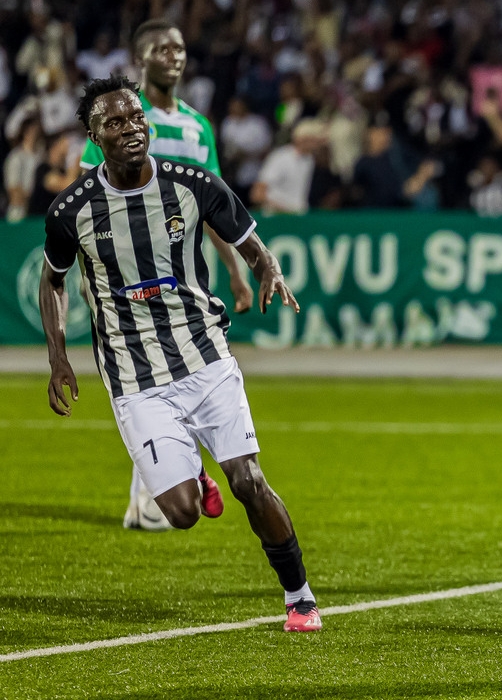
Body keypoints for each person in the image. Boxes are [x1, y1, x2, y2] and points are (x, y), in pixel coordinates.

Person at [39, 76, 322, 632]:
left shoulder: (192, 184)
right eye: (115, 123)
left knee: (249, 480)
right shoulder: (71, 209)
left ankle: (300, 598)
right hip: (133, 373)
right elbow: (52, 281)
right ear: (93, 135)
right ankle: (193, 477)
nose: (131, 129)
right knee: (181, 514)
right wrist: (58, 357)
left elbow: (245, 237)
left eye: (136, 118)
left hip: (205, 355)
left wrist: (267, 265)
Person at [78, 18, 254, 531]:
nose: (173, 54)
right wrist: (93, 278)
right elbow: (92, 193)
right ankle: (165, 489)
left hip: (185, 278)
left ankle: (174, 482)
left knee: (185, 375)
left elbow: (216, 207)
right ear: (142, 60)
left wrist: (237, 272)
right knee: (141, 378)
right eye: (161, 47)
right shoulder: (123, 118)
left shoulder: (198, 128)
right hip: (126, 277)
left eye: (178, 47)